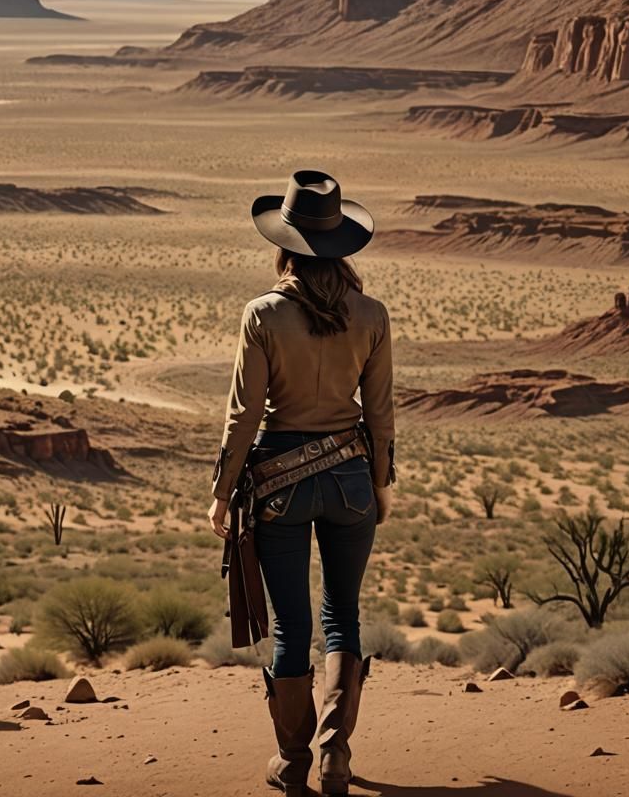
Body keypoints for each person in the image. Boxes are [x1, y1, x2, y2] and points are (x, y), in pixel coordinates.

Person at [208, 170, 395, 797]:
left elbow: (243, 414)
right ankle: (335, 756)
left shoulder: (261, 315)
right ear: (341, 245)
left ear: (284, 243)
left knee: (292, 624)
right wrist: (382, 482)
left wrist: (220, 490)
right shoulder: (371, 314)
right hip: (351, 482)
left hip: (279, 484)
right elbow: (381, 411)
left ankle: (292, 762)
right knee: (343, 615)